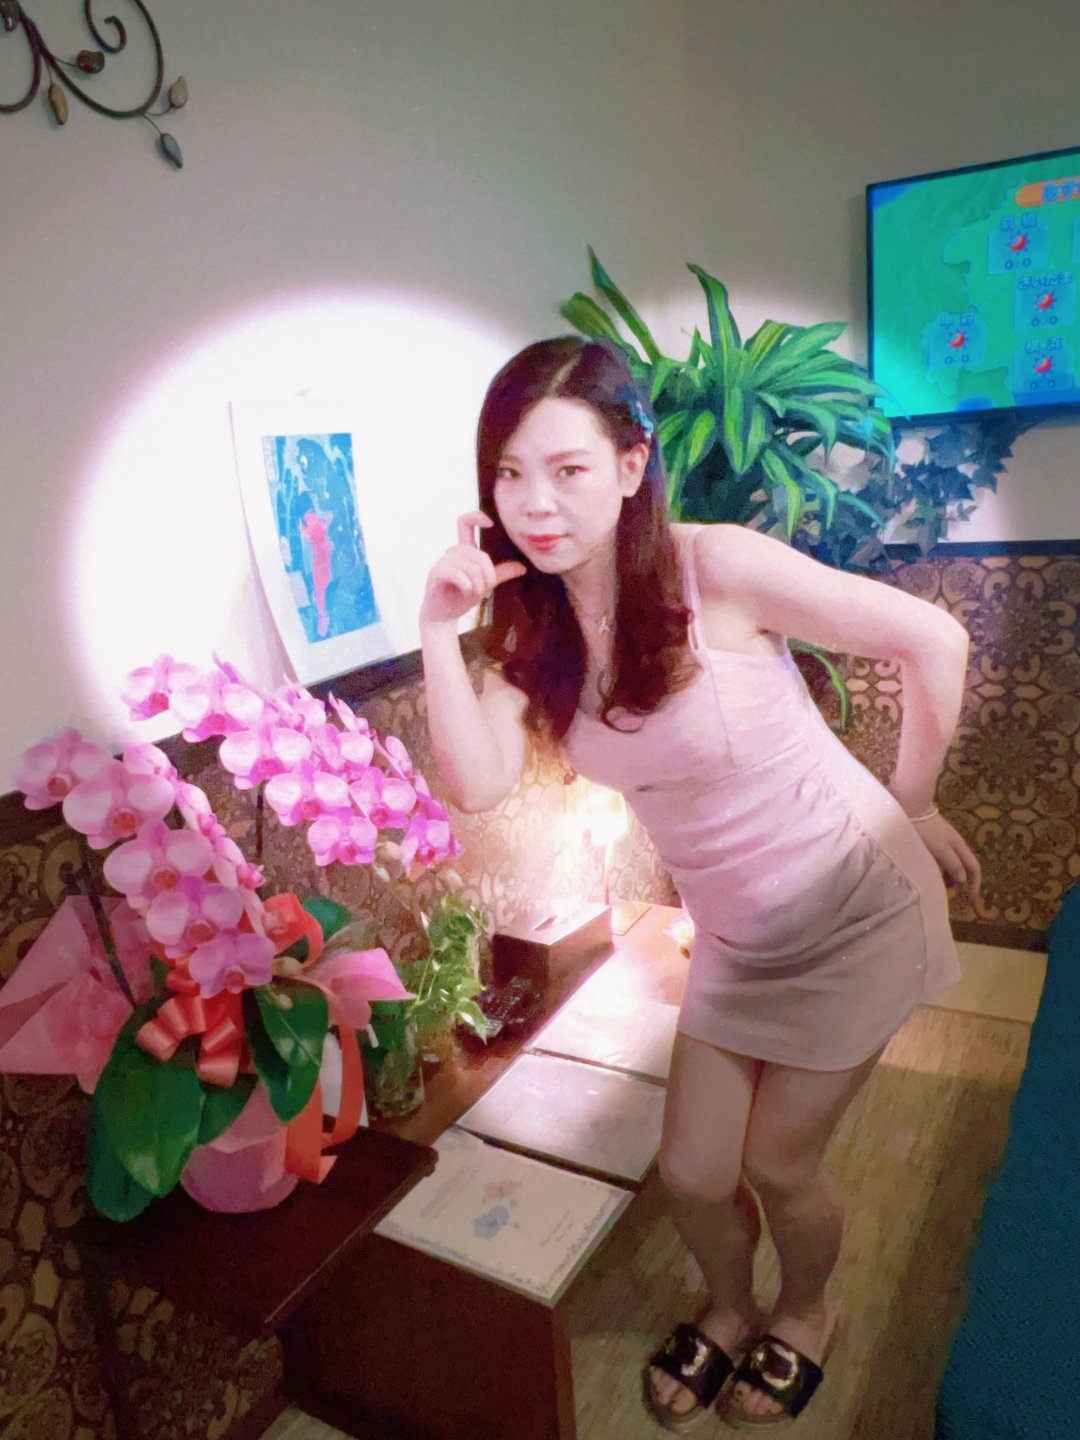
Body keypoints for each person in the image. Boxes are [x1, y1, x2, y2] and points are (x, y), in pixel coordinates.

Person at [418, 336, 982, 1432]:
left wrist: (912, 802)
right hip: (734, 938)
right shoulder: (534, 626)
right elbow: (477, 783)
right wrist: (441, 632)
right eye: (511, 473)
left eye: (568, 469)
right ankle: (730, 1307)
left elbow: (934, 640)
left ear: (632, 465)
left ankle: (806, 1312)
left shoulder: (710, 567)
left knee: (779, 1161)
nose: (537, 503)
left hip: (855, 911)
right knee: (689, 1171)